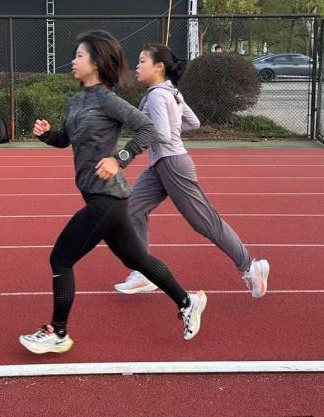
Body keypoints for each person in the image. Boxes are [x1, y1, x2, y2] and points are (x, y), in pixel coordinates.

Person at [20, 30, 207, 355]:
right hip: (105, 198)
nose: (73, 61)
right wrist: (47, 134)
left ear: (96, 62)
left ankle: (58, 332)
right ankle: (187, 301)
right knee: (137, 259)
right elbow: (66, 140)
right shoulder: (76, 101)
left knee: (61, 258)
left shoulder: (108, 100)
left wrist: (119, 158)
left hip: (105, 198)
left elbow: (148, 129)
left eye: (80, 55)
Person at [114, 43, 270, 297]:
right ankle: (144, 272)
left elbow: (163, 134)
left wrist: (147, 129)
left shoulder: (157, 95)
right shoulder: (171, 92)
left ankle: (251, 266)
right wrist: (167, 128)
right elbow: (193, 122)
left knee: (204, 221)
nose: (137, 67)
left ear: (158, 67)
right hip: (160, 164)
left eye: (142, 61)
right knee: (132, 210)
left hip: (172, 164)